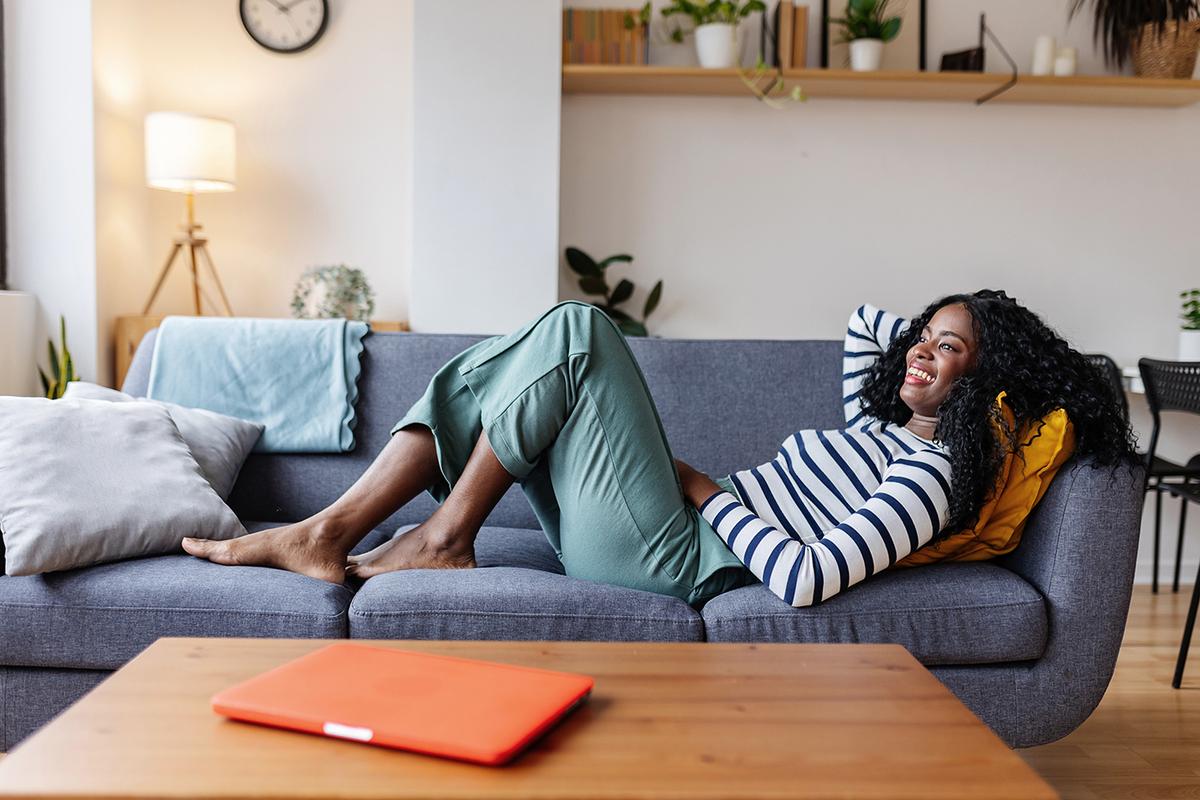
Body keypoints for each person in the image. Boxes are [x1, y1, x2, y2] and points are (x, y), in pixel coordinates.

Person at [182, 292, 1136, 607]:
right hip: (660, 525)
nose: (919, 350)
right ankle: (339, 528)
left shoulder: (929, 478)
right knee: (496, 368)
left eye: (948, 349)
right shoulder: (882, 425)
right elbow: (869, 324)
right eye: (922, 339)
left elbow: (806, 580)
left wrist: (703, 489)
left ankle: (431, 538)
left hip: (686, 557)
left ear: (984, 384)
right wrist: (939, 339)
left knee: (582, 330)